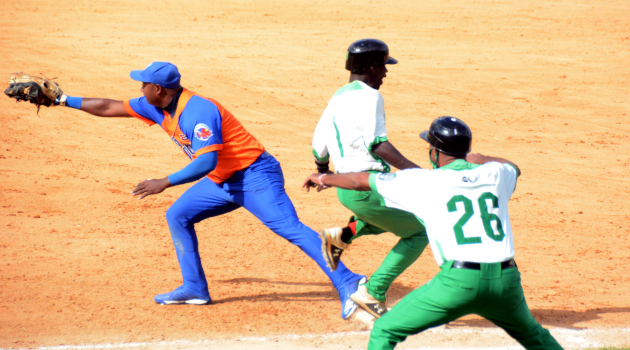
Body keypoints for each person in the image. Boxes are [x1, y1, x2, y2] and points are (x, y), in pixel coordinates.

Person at [52, 62, 364, 319]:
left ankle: (349, 283)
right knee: (178, 215)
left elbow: (206, 161)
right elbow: (108, 106)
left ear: (158, 89)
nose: (140, 89)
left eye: (143, 84)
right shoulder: (155, 106)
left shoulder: (197, 111)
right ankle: (195, 288)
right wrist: (61, 100)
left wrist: (165, 181)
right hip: (223, 180)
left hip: (255, 175)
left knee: (288, 228)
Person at [303, 116, 564, 349]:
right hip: (507, 282)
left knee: (384, 330)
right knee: (535, 337)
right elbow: (514, 167)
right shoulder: (496, 174)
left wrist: (324, 178)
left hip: (458, 283)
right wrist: (482, 159)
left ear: (435, 152)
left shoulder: (423, 181)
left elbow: (361, 181)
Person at [311, 38, 429, 318]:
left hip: (346, 187)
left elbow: (319, 143)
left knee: (397, 213)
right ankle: (372, 292)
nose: (386, 73)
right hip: (368, 186)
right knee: (419, 231)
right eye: (384, 67)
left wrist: (323, 170)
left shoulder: (337, 96)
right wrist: (417, 173)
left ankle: (341, 236)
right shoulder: (370, 96)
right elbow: (377, 144)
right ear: (373, 67)